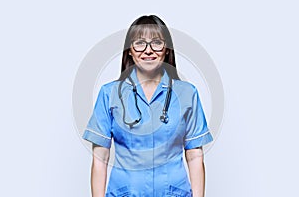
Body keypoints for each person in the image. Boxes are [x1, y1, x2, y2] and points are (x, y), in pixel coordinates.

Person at [82, 15, 213, 197]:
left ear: (166, 49)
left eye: (157, 43)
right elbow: (100, 159)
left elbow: (195, 156)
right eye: (140, 43)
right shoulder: (109, 94)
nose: (148, 50)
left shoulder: (187, 94)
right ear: (129, 50)